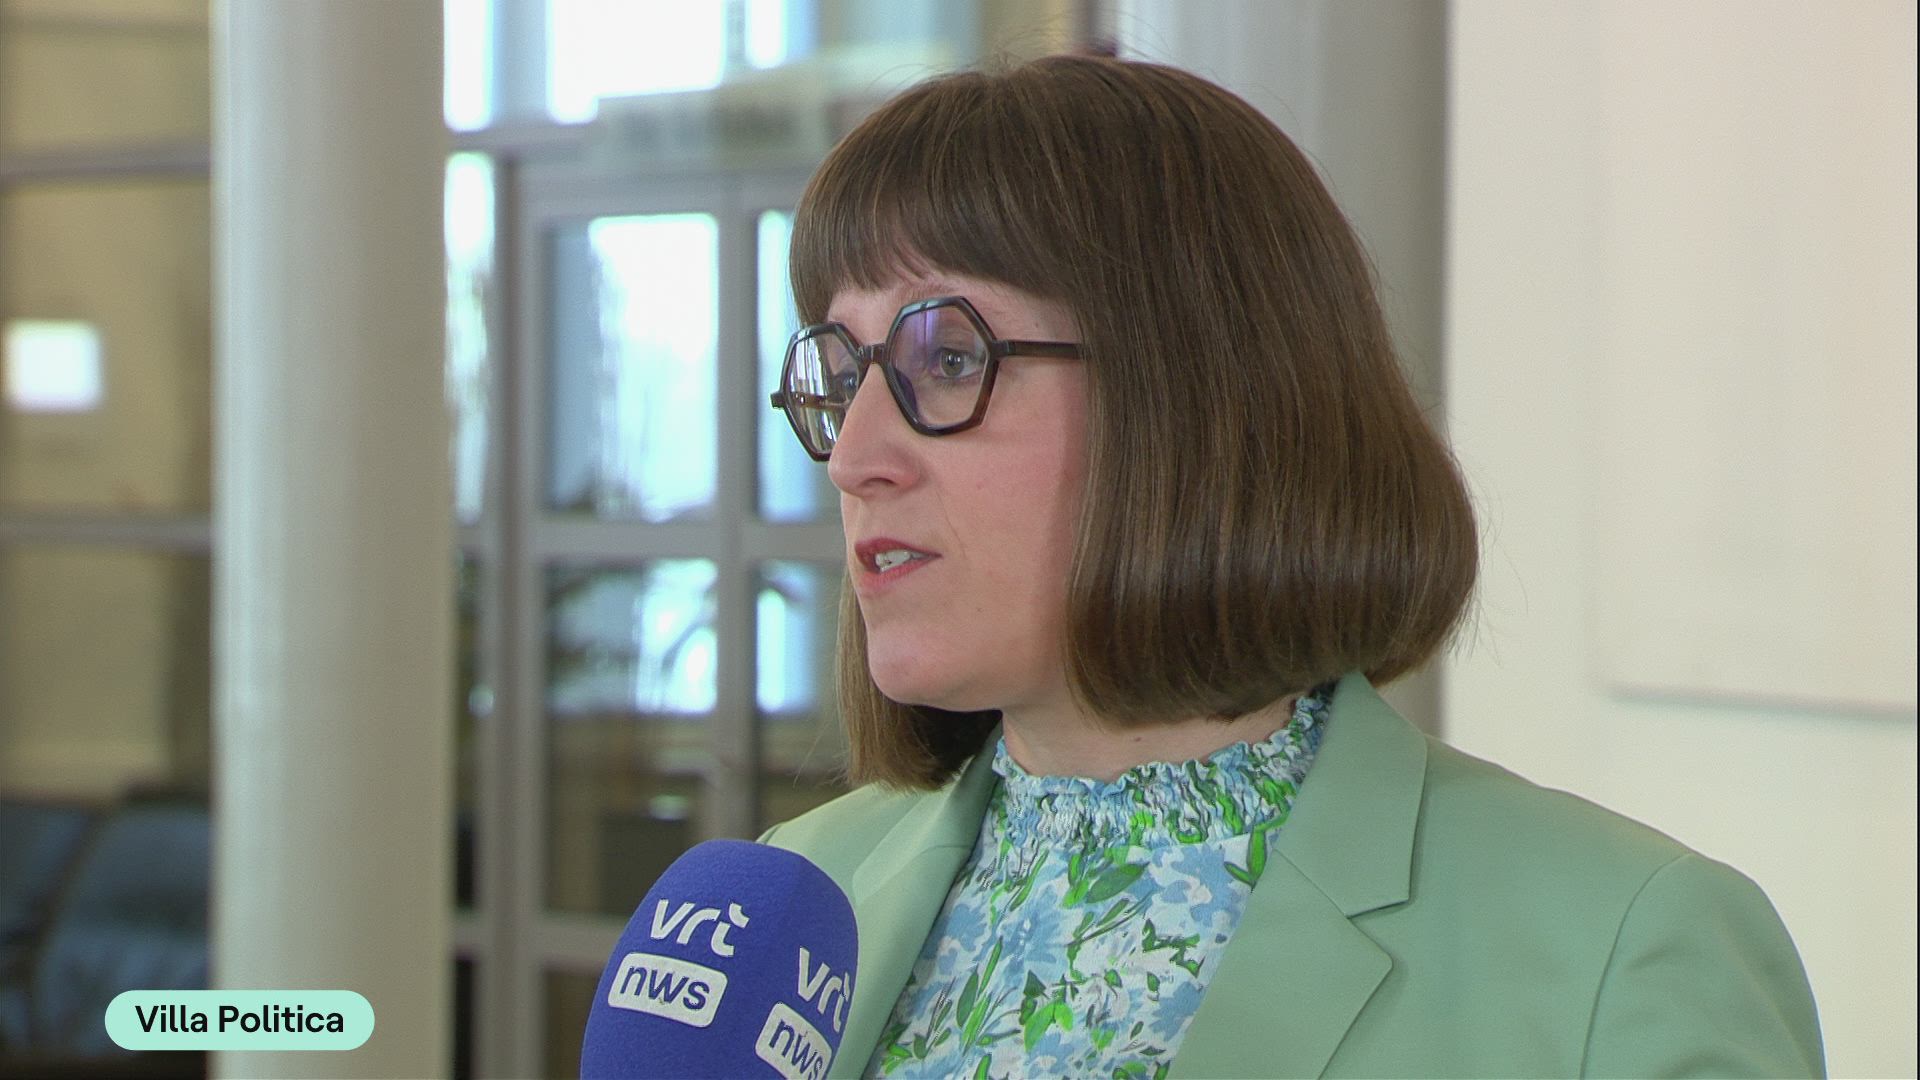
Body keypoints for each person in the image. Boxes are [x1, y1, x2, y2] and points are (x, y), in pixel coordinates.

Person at [759, 54, 1822, 1079]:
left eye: (948, 358)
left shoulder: (1621, 952)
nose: (854, 458)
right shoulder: (792, 905)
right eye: (842, 376)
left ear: (1198, 396)